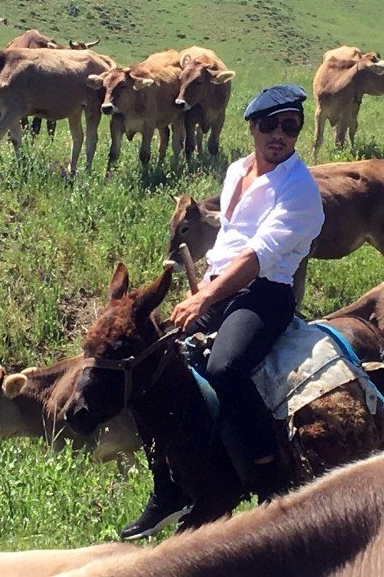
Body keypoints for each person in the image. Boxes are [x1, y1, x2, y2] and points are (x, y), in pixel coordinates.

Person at [120, 84, 325, 540]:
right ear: (252, 127)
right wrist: (206, 288)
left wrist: (203, 299)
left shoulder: (300, 191)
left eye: (289, 126)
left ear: (297, 131)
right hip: (219, 285)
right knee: (153, 361)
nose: (279, 134)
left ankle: (268, 473)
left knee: (226, 368)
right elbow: (229, 239)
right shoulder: (237, 171)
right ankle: (167, 488)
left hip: (265, 293)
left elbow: (257, 257)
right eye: (268, 125)